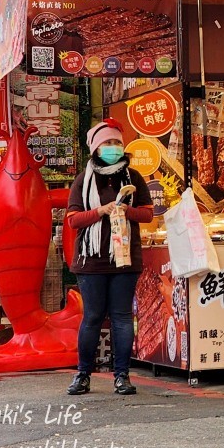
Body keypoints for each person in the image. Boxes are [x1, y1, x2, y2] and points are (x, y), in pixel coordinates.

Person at [65, 119, 154, 396]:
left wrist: (127, 211)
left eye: (116, 142)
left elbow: (148, 214)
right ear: (95, 148)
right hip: (91, 261)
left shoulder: (134, 178)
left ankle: (122, 376)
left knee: (122, 317)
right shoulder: (84, 179)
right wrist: (101, 211)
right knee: (92, 316)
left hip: (125, 259)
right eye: (107, 143)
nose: (113, 147)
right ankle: (82, 374)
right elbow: (73, 220)